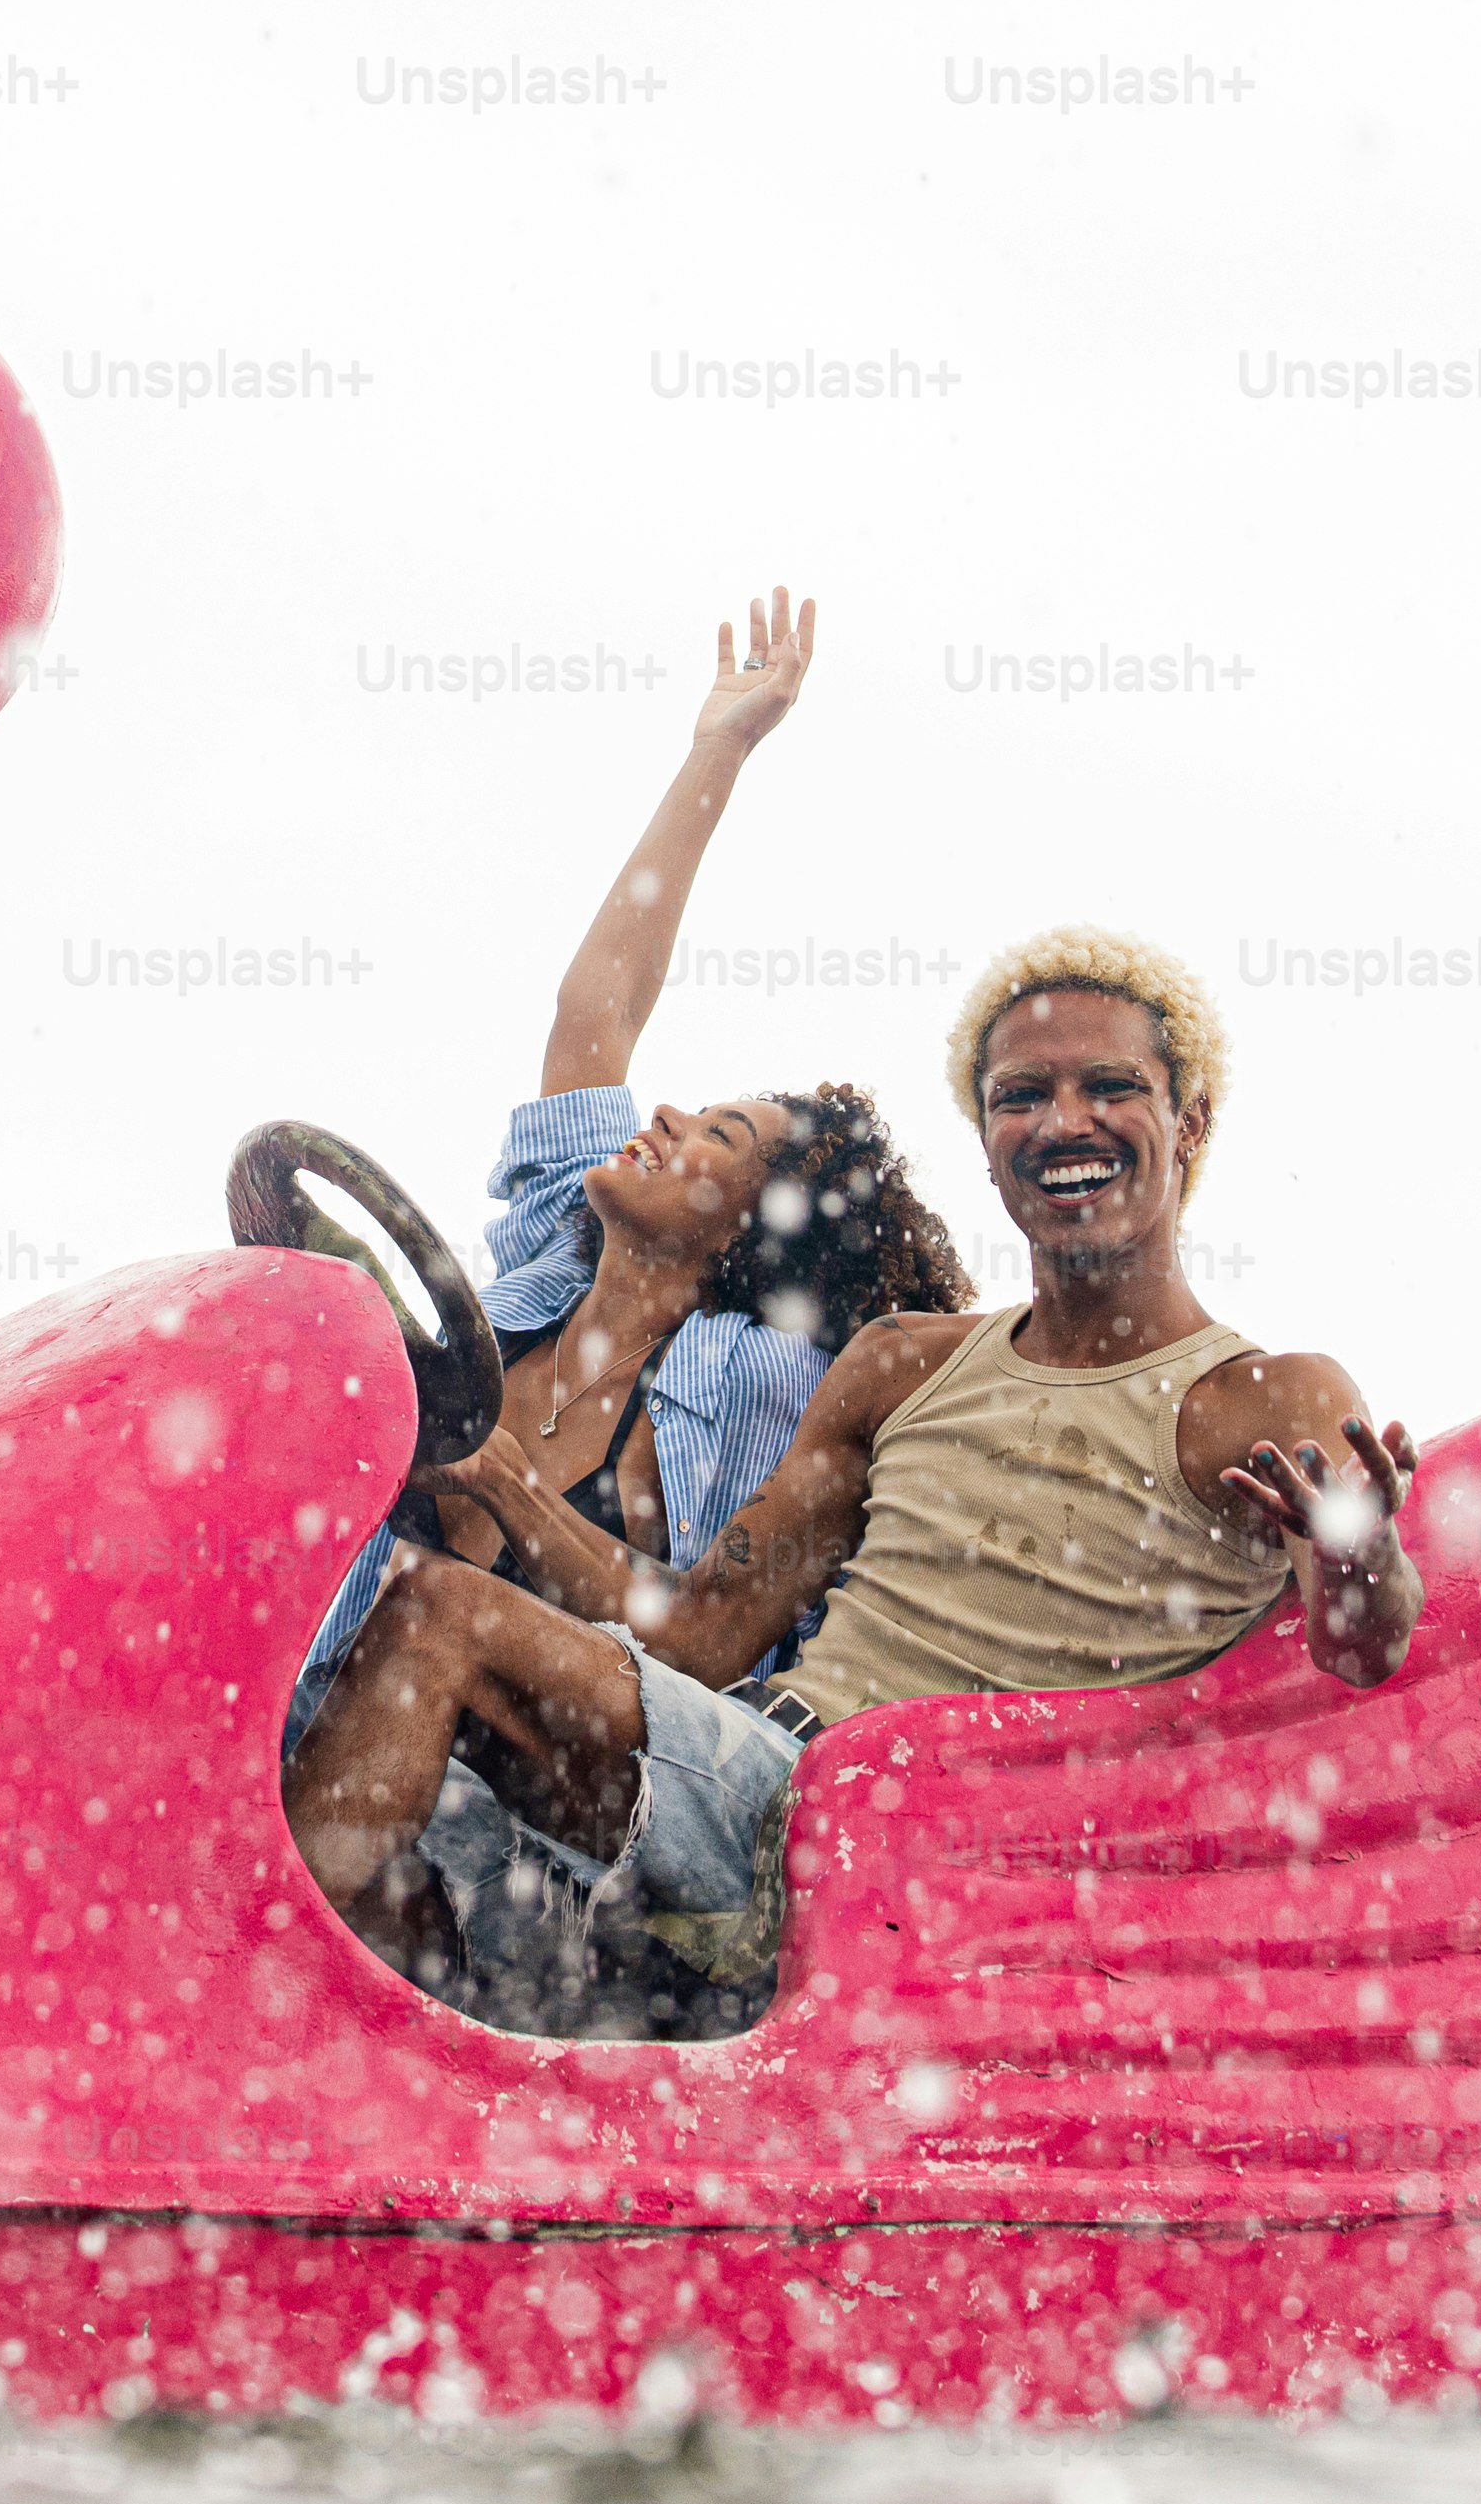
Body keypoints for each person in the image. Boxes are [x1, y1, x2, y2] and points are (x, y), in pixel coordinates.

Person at [287, 927, 1426, 2029]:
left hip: (934, 1848)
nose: (1061, 1121)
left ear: (1190, 1119)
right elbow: (699, 1638)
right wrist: (511, 1490)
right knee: (380, 1745)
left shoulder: (1265, 1396)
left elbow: (1365, 1643)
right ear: (985, 1142)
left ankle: (262, 2016)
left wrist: (1356, 1562)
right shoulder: (901, 1364)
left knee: (437, 1620)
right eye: (1019, 1096)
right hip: (766, 1782)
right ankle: (337, 2092)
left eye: (1107, 1086)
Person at [273, 590, 973, 2031]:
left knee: (429, 1633)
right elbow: (595, 1003)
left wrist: (515, 1492)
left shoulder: (778, 1383)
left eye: (715, 1137)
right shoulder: (536, 1258)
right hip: (328, 1748)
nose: (661, 1115)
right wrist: (717, 746)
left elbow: (704, 1637)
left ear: (755, 1234)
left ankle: (270, 2012)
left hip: (571, 1831)